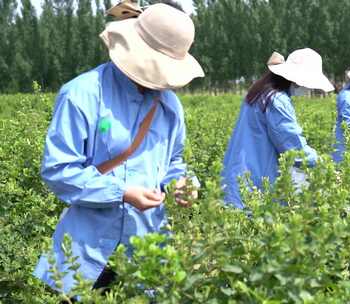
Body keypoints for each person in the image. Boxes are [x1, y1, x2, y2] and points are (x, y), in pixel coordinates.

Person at [33, 4, 204, 294]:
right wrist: (122, 193)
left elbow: (173, 161)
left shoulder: (169, 105)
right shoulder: (83, 94)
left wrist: (182, 183)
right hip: (85, 251)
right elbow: (58, 170)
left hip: (146, 249)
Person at [221, 49, 334, 209]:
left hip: (239, 172)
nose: (308, 89)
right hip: (253, 179)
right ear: (297, 79)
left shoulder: (262, 92)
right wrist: (323, 163)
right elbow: (294, 149)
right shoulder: (277, 100)